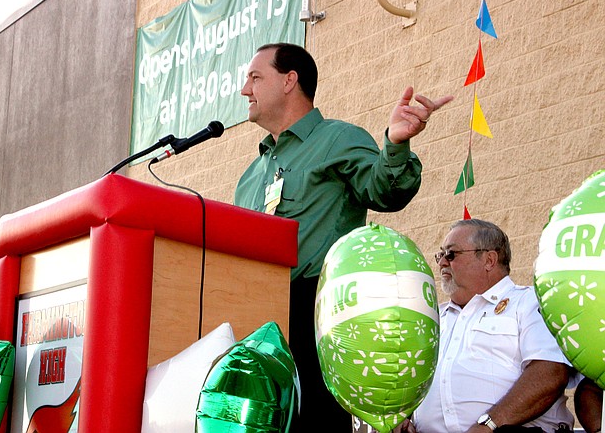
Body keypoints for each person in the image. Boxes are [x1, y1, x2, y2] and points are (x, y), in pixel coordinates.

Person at [233, 42, 453, 430]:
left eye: (254, 77)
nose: (244, 90)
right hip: (254, 318)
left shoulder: (338, 139)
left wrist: (396, 143)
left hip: (313, 309)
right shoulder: (251, 174)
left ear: (289, 81)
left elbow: (385, 190)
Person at [397, 219, 575, 433]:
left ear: (489, 260)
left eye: (451, 254)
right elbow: (410, 377)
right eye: (440, 255)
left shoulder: (528, 303)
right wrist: (403, 416)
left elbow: (549, 372)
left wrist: (489, 424)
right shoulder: (435, 319)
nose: (442, 262)